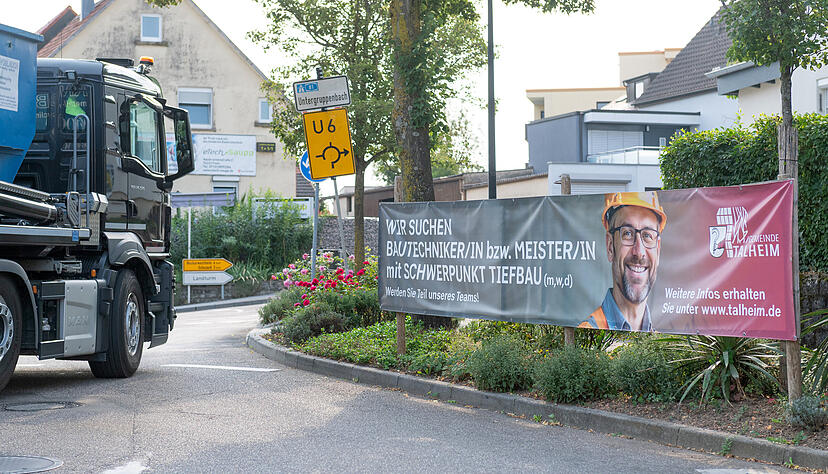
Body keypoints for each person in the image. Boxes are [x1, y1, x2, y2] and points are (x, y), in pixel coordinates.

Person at [579, 192, 666, 332]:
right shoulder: (589, 330)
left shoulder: (660, 339)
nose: (639, 252)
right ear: (610, 246)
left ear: (658, 249)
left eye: (648, 235)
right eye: (627, 233)